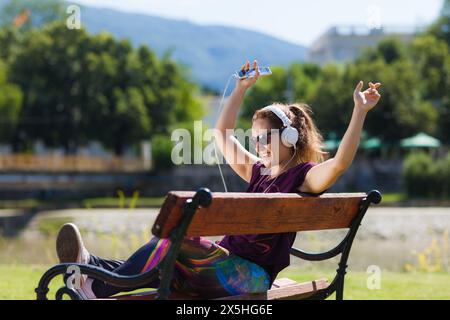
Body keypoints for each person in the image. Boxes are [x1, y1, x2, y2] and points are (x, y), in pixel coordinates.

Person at [55, 59, 381, 299]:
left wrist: (359, 112)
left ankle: (95, 286)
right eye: (255, 138)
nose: (258, 144)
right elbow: (222, 134)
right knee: (165, 256)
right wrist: (240, 89)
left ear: (290, 137)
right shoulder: (258, 172)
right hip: (222, 271)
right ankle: (90, 267)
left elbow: (338, 164)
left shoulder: (304, 176)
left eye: (265, 137)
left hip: (248, 278)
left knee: (173, 240)